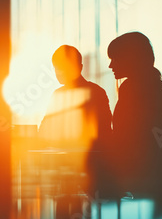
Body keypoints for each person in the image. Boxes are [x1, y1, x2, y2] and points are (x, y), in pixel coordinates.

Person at [107, 32, 162, 211]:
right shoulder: (155, 87)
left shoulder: (134, 90)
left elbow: (124, 140)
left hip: (150, 175)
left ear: (130, 59)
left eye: (115, 58)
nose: (110, 65)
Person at [39, 45, 113, 194]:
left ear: (79, 67)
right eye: (56, 68)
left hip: (82, 167)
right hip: (88, 167)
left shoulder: (60, 95)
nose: (58, 73)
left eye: (62, 67)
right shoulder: (96, 92)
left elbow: (44, 132)